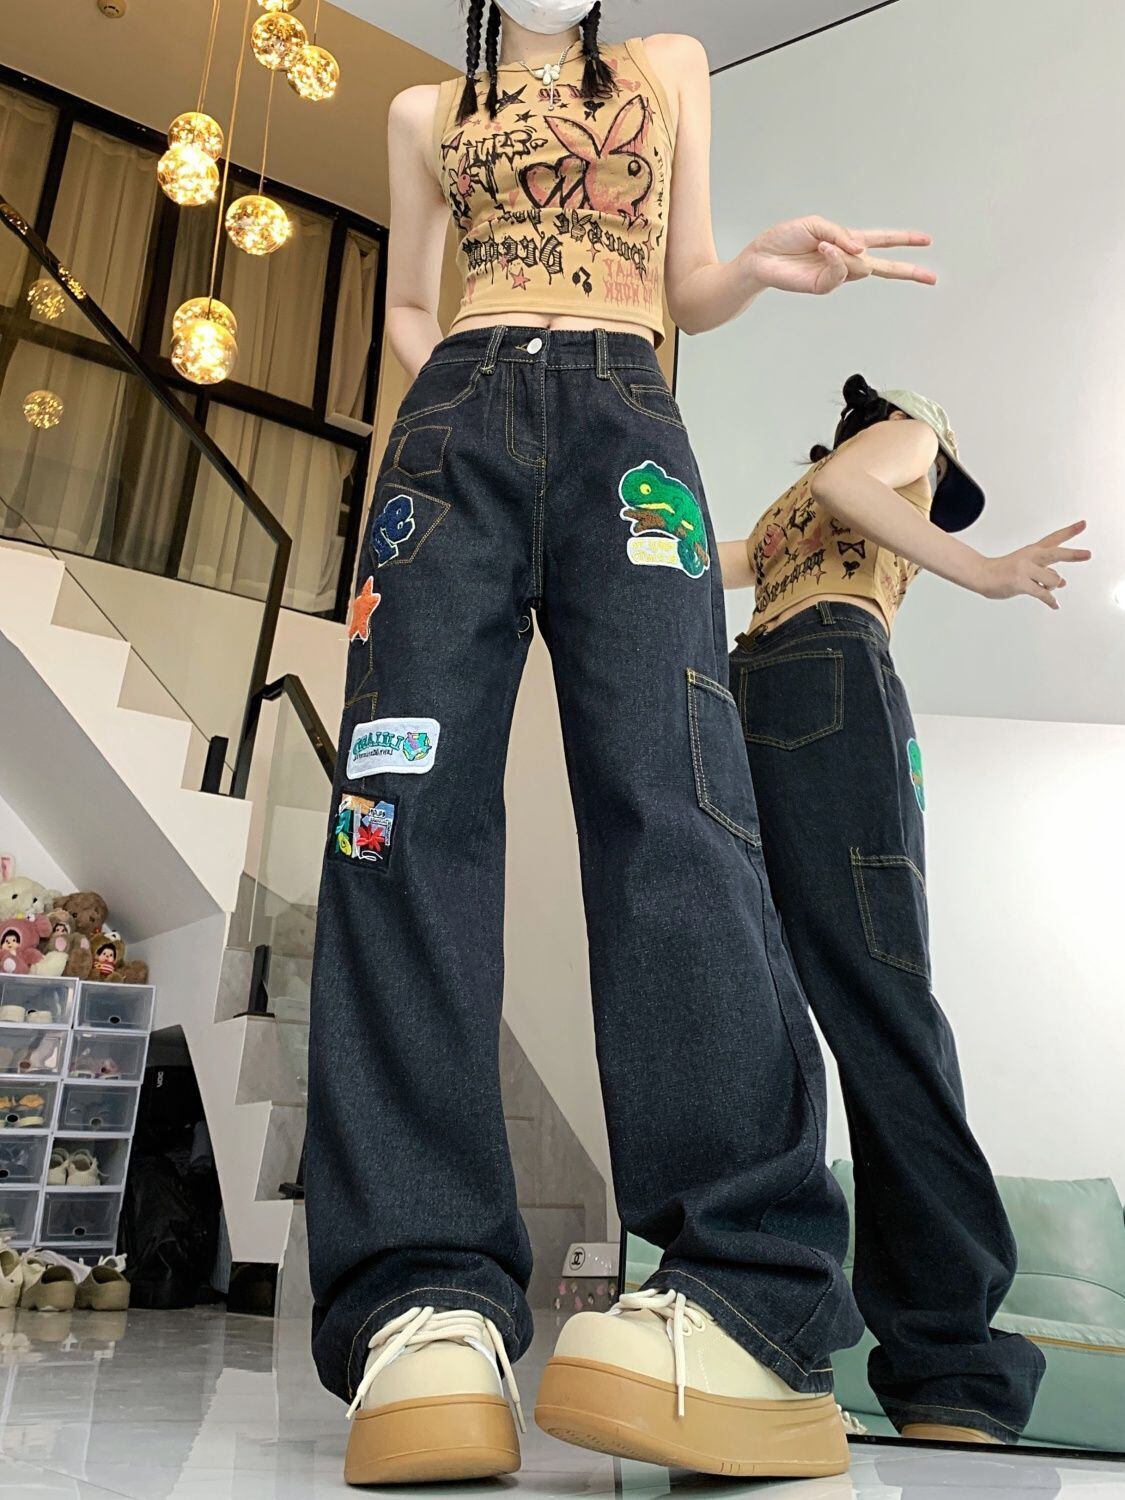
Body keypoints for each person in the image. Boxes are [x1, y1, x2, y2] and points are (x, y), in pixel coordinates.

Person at [306, 2, 940, 1484]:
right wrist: (447, 423)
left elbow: (685, 281)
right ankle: (416, 1299)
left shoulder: (667, 67)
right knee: (397, 821)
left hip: (628, 417)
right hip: (448, 431)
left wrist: (758, 269)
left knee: (679, 805)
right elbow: (409, 311)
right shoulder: (421, 113)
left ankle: (745, 1291)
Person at [720, 374, 1090, 1445]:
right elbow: (734, 549)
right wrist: (986, 568)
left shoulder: (810, 497)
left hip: (773, 683)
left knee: (780, 1010)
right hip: (812, 681)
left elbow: (719, 560)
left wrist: (980, 573)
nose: (930, 486)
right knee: (852, 1003)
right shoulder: (906, 433)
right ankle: (943, 1365)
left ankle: (803, 1334)